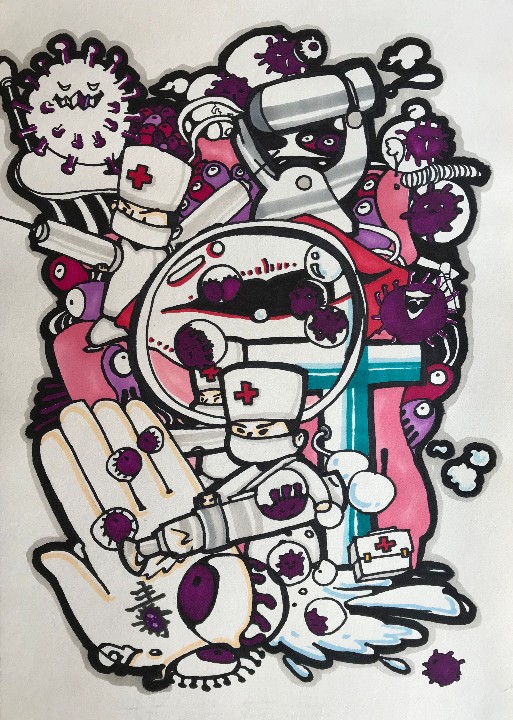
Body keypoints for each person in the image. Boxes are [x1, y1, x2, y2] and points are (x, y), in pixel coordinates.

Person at [121, 362, 343, 573]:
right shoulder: (257, 467)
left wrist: (324, 504)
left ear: (297, 439)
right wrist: (217, 494)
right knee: (191, 531)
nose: (252, 437)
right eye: (242, 431)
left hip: (251, 526)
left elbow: (313, 481)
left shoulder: (293, 466)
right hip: (231, 518)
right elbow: (240, 480)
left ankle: (145, 550)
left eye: (263, 430)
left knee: (192, 535)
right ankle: (144, 549)